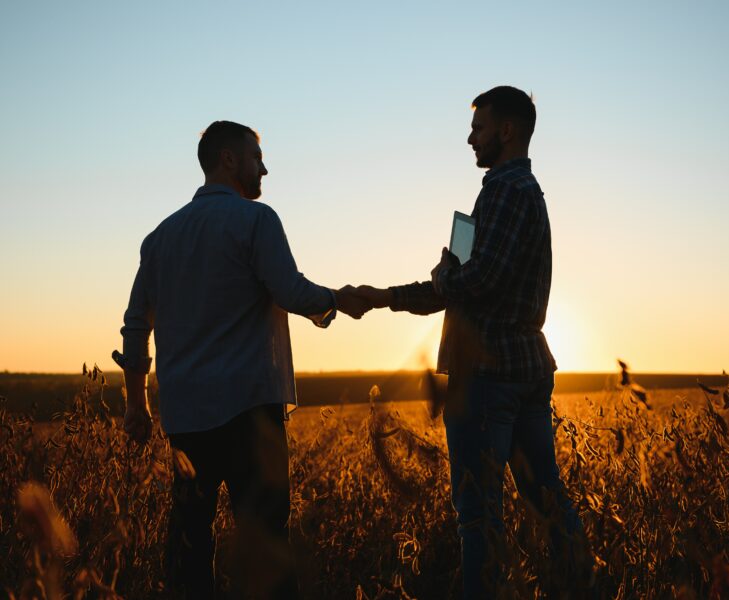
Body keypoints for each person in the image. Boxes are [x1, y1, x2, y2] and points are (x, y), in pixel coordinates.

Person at [116, 120, 370, 599]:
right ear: (229, 160)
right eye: (257, 157)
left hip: (186, 419)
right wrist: (338, 300)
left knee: (189, 541)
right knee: (266, 542)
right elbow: (291, 290)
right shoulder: (256, 220)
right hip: (251, 411)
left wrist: (136, 406)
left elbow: (135, 327)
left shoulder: (159, 238)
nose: (265, 169)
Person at [356, 86, 587, 598]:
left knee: (479, 515)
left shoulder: (505, 189)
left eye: (478, 128)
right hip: (524, 367)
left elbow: (481, 279)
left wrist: (443, 277)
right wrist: (385, 296)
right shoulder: (520, 192)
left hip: (487, 375)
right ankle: (582, 587)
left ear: (506, 131)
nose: (470, 138)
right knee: (546, 499)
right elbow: (464, 286)